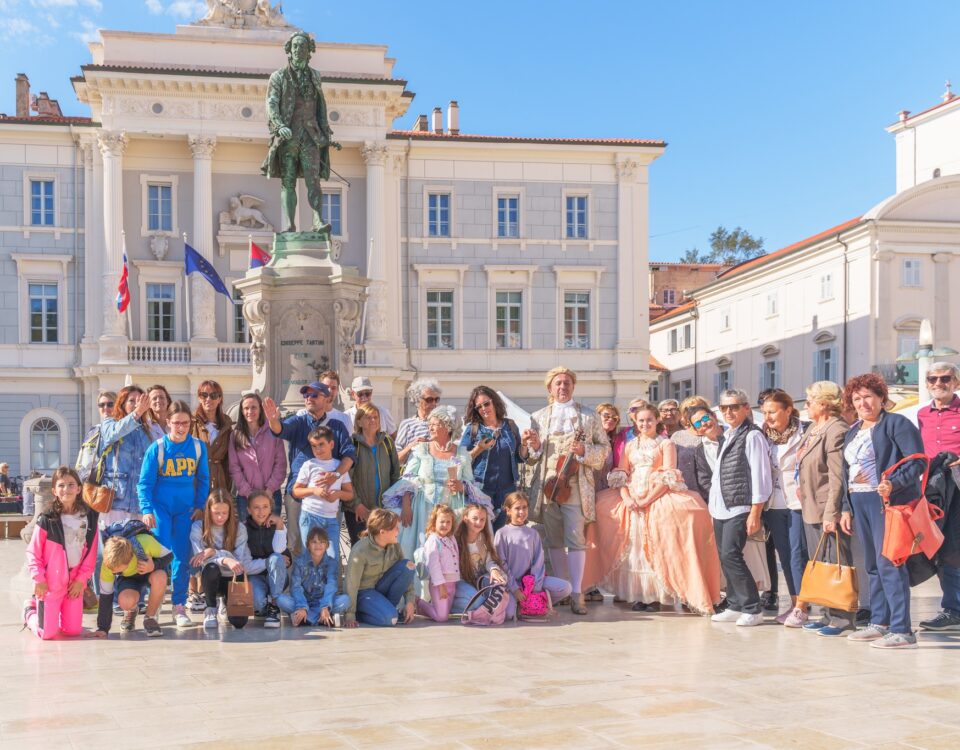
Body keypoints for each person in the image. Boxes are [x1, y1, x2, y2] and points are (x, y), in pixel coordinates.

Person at [600, 401, 721, 614]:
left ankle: (659, 594)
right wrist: (627, 498)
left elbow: (668, 475)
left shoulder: (665, 444)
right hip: (633, 495)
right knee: (634, 545)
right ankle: (641, 594)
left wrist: (648, 499)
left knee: (658, 542)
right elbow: (621, 473)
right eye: (641, 420)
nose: (645, 423)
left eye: (649, 419)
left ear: (657, 420)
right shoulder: (630, 446)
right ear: (635, 423)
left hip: (657, 494)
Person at [841, 373, 924, 649]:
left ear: (881, 398)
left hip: (887, 502)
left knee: (890, 564)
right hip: (860, 502)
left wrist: (892, 484)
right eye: (856, 398)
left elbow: (917, 463)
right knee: (873, 566)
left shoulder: (897, 424)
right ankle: (880, 622)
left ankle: (902, 629)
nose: (862, 402)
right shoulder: (854, 430)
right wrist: (845, 508)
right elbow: (846, 473)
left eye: (868, 396)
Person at [526, 367, 609, 615]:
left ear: (573, 387)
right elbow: (531, 460)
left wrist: (584, 452)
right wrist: (535, 447)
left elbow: (604, 449)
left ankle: (577, 593)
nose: (562, 387)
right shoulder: (537, 417)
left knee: (576, 538)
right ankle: (562, 590)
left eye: (567, 383)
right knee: (553, 539)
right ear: (550, 388)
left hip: (575, 484)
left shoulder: (588, 416)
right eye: (558, 383)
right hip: (547, 485)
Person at [785, 381, 853, 632]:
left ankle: (842, 618)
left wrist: (832, 512)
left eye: (810, 401)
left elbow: (837, 476)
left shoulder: (836, 429)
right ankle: (826, 614)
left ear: (824, 403)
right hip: (810, 504)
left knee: (835, 562)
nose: (807, 405)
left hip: (826, 506)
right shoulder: (814, 427)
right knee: (820, 563)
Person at [138, 400, 210, 628]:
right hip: (161, 509)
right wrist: (147, 510)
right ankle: (156, 603)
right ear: (167, 422)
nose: (181, 427)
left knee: (181, 557)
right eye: (177, 422)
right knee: (160, 556)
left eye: (186, 423)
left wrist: (200, 506)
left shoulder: (198, 447)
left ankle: (179, 606)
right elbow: (144, 484)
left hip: (185, 511)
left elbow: (204, 479)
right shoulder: (157, 448)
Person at [263, 381, 356, 556]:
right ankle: (295, 584)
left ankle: (329, 584)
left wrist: (336, 476)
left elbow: (350, 455)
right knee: (295, 543)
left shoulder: (337, 426)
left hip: (327, 499)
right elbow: (281, 429)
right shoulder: (298, 421)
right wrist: (273, 420)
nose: (309, 398)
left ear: (327, 398)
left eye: (314, 395)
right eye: (306, 395)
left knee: (329, 548)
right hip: (298, 494)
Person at [261, 30, 336, 234]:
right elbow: (272, 103)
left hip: (311, 135)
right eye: (294, 46)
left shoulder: (315, 76)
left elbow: (321, 104)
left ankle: (318, 221)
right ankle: (289, 225)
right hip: (288, 136)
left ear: (309, 51)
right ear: (289, 50)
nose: (298, 50)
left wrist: (325, 132)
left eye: (302, 47)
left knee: (314, 181)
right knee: (288, 182)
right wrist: (279, 125)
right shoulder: (278, 76)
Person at [708, 389, 772, 627]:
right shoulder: (728, 435)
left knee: (731, 555)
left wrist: (755, 511)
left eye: (734, 407)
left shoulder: (752, 436)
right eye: (724, 408)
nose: (729, 412)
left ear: (746, 408)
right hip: (721, 506)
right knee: (724, 556)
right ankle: (735, 604)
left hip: (740, 506)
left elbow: (760, 475)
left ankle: (752, 607)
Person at [390, 405, 477, 564]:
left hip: (450, 509)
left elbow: (470, 483)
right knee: (421, 550)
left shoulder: (461, 453)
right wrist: (406, 504)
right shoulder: (421, 449)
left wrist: (461, 486)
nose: (430, 427)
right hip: (422, 508)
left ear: (448, 426)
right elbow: (408, 478)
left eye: (435, 424)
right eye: (429, 423)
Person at [23, 467, 99, 640]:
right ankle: (30, 610)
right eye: (61, 485)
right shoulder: (47, 519)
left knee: (72, 631)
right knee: (47, 633)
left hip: (74, 585)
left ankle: (52, 615)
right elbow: (33, 552)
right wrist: (39, 579)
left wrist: (81, 580)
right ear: (54, 491)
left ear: (79, 489)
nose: (66, 489)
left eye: (71, 485)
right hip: (50, 585)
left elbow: (91, 554)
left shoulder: (89, 517)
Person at [94, 386, 154, 599]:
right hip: (116, 499)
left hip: (138, 503)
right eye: (132, 401)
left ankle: (134, 595)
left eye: (140, 400)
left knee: (137, 552)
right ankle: (105, 596)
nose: (137, 404)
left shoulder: (145, 429)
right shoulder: (111, 422)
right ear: (122, 404)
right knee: (111, 551)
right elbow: (111, 435)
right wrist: (136, 413)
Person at [916, 362, 960, 632]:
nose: (938, 383)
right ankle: (952, 609)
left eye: (945, 378)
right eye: (933, 379)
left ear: (956, 382)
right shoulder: (921, 415)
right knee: (941, 547)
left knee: (954, 546)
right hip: (933, 489)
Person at [759, 390, 809, 623]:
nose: (767, 416)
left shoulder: (806, 431)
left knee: (799, 554)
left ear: (788, 410)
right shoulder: (763, 435)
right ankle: (794, 602)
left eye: (773, 411)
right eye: (765, 412)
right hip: (774, 503)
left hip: (799, 501)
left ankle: (802, 606)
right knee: (785, 556)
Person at [460, 386, 528, 530]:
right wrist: (479, 449)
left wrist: (525, 444)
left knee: (505, 533)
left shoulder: (510, 426)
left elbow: (519, 457)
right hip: (482, 490)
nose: (484, 408)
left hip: (508, 490)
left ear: (494, 402)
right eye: (479, 407)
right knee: (482, 533)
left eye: (486, 403)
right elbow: (461, 460)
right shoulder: (473, 429)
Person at [495, 491, 572, 613]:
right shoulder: (502, 534)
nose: (522, 512)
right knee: (509, 613)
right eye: (517, 508)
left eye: (524, 507)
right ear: (508, 510)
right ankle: (522, 605)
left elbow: (539, 562)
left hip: (532, 582)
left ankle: (537, 602)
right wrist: (515, 589)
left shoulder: (533, 534)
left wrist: (534, 588)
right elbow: (501, 563)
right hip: (511, 584)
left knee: (566, 587)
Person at [190, 488, 253, 630]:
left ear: (230, 512)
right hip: (211, 579)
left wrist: (214, 552)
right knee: (211, 568)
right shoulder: (198, 527)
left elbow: (238, 560)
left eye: (224, 513)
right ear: (208, 510)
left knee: (239, 622)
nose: (220, 517)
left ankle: (225, 602)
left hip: (233, 577)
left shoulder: (239, 528)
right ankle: (211, 609)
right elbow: (202, 559)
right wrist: (225, 559)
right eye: (216, 513)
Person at [92, 527, 172, 638]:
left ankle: (150, 618)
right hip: (129, 579)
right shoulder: (108, 566)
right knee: (125, 601)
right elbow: (106, 596)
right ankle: (131, 610)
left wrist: (154, 565)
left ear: (129, 559)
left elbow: (169, 556)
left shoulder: (145, 542)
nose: (113, 571)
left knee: (161, 577)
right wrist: (103, 628)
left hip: (150, 572)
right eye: (112, 569)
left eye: (118, 570)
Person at [343, 508, 416, 627]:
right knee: (391, 619)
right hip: (364, 593)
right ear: (382, 532)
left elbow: (406, 576)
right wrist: (350, 614)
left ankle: (386, 608)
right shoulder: (360, 550)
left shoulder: (395, 546)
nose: (399, 530)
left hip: (381, 589)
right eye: (395, 528)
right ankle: (363, 613)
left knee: (409, 566)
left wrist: (410, 602)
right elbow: (351, 584)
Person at [291, 426, 354, 565]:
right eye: (314, 446)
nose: (317, 449)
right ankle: (309, 587)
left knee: (332, 558)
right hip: (309, 516)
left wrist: (337, 494)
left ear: (331, 444)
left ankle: (330, 587)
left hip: (331, 520)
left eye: (321, 445)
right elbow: (296, 491)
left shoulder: (339, 467)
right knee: (309, 557)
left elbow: (349, 494)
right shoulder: (309, 465)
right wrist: (314, 490)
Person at [229, 391, 287, 521]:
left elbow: (280, 464)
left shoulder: (273, 431)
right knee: (247, 538)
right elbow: (234, 468)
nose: (250, 411)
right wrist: (248, 493)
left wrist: (269, 491)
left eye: (254, 407)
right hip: (246, 498)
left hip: (271, 495)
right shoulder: (236, 435)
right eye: (246, 408)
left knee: (272, 537)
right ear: (242, 411)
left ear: (260, 409)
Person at [347, 403, 400, 543]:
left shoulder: (387, 442)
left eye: (375, 417)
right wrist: (356, 504)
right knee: (361, 550)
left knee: (383, 550)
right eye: (368, 417)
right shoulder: (352, 444)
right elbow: (346, 479)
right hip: (358, 511)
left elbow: (395, 475)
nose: (373, 421)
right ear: (359, 421)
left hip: (384, 510)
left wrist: (391, 504)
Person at [278, 525, 350, 627]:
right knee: (281, 599)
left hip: (323, 602)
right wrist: (302, 607)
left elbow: (331, 585)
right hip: (304, 601)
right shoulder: (299, 561)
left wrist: (325, 607)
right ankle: (322, 618)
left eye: (322, 542)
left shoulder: (332, 563)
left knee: (345, 600)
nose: (318, 545)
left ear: (327, 545)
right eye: (314, 542)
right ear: (308, 545)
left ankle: (305, 618)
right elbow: (296, 587)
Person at [453, 502, 510, 617]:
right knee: (478, 602)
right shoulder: (456, 541)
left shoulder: (484, 539)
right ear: (465, 518)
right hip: (460, 581)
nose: (479, 522)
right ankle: (450, 606)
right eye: (474, 518)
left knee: (502, 602)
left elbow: (489, 561)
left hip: (478, 580)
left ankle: (478, 610)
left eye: (482, 519)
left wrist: (494, 569)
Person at [244, 490, 289, 628]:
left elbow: (280, 552)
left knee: (276, 558)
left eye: (265, 507)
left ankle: (274, 604)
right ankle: (265, 606)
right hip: (255, 575)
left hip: (277, 576)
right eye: (256, 507)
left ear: (271, 508)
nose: (261, 511)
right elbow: (247, 566)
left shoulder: (277, 525)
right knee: (257, 602)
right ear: (249, 510)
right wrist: (269, 562)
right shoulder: (243, 529)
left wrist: (280, 525)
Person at [415, 504, 461, 622]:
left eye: (448, 522)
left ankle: (427, 609)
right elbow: (434, 566)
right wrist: (441, 586)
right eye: (442, 522)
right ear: (434, 522)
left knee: (445, 611)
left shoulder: (451, 538)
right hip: (439, 584)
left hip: (452, 583)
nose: (445, 525)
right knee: (442, 617)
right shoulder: (433, 540)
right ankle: (419, 603)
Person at [190, 380, 234, 494]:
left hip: (219, 480)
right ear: (199, 398)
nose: (208, 399)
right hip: (195, 480)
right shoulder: (190, 422)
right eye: (204, 395)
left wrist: (228, 483)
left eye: (213, 395)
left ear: (219, 399)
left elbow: (229, 459)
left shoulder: (226, 425)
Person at [396, 378, 442, 464]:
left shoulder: (444, 423)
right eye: (429, 399)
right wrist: (412, 445)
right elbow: (396, 459)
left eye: (437, 399)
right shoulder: (407, 424)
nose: (434, 403)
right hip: (413, 475)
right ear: (417, 399)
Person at [673, 396, 713, 492]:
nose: (695, 412)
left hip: (712, 491)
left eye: (699, 408)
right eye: (689, 409)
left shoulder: (715, 433)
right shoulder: (678, 436)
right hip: (687, 491)